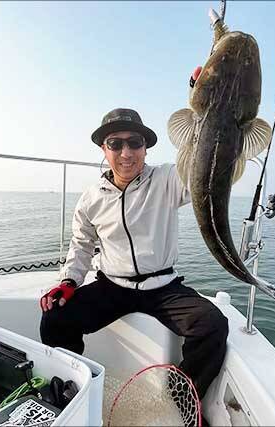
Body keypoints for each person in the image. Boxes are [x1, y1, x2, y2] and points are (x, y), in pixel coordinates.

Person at [39, 107, 228, 400]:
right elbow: (82, 243)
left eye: (135, 143)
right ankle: (73, 390)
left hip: (164, 288)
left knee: (212, 325)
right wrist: (68, 281)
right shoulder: (91, 197)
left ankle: (181, 400)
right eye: (115, 144)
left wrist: (207, 116)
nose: (126, 153)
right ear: (104, 149)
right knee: (56, 318)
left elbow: (203, 167)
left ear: (145, 148)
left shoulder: (169, 178)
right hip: (112, 286)